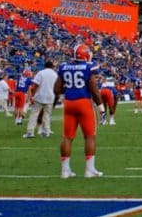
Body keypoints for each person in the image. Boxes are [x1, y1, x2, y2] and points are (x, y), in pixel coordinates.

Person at [55, 43, 103, 178]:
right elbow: (93, 88)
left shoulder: (64, 67)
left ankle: (65, 171)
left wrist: (71, 88)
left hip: (69, 103)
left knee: (67, 137)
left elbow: (56, 89)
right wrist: (101, 107)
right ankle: (89, 170)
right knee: (90, 136)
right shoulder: (89, 67)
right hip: (84, 103)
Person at [24, 60, 58, 139]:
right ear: (52, 67)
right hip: (50, 96)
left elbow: (35, 85)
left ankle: (30, 132)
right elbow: (56, 87)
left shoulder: (41, 73)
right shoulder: (55, 74)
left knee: (34, 114)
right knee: (47, 115)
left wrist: (32, 95)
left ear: (45, 66)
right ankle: (47, 131)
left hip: (40, 96)